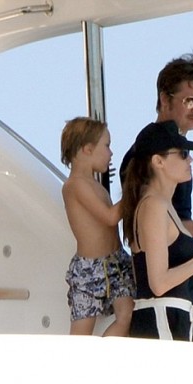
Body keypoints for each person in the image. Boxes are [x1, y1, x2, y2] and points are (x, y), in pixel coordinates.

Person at [119, 52, 193, 341]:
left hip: (180, 302)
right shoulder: (146, 160)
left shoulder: (170, 168)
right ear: (164, 99)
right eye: (189, 100)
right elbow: (149, 235)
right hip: (163, 310)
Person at [61, 117, 135, 336]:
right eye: (107, 146)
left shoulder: (94, 183)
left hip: (115, 262)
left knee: (127, 315)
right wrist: (135, 189)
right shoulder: (75, 185)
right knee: (81, 335)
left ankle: (104, 355)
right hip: (89, 269)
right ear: (88, 149)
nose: (111, 153)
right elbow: (110, 217)